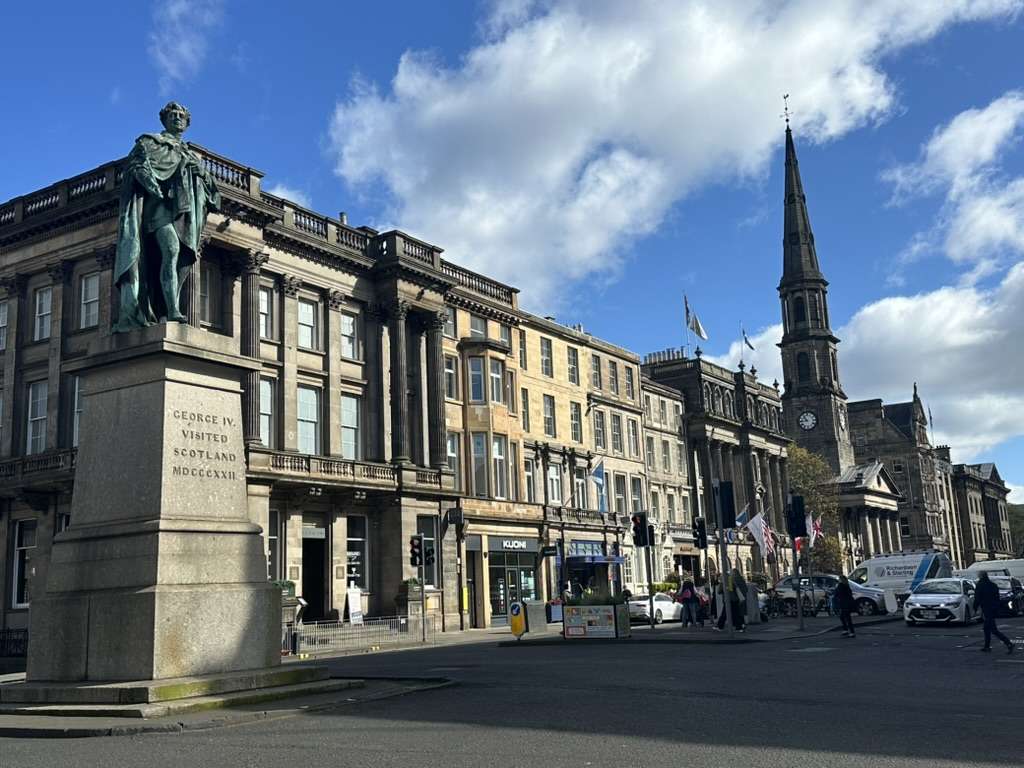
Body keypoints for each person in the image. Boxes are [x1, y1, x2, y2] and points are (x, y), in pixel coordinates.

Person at [114, 102, 221, 331]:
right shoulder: (149, 142)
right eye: (173, 115)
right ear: (164, 119)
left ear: (187, 122)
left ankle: (167, 308)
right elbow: (134, 167)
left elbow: (213, 193)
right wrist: (150, 183)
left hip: (181, 214)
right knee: (171, 250)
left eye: (182, 116)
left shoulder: (189, 155)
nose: (178, 118)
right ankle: (172, 309)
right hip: (158, 208)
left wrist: (200, 172)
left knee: (177, 256)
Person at [974, 571, 1014, 654]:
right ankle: (987, 646)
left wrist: (975, 607)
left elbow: (977, 597)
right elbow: (997, 598)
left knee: (993, 629)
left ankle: (1008, 643)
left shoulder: (980, 585)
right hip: (993, 609)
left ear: (981, 576)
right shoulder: (993, 585)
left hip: (986, 608)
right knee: (987, 628)